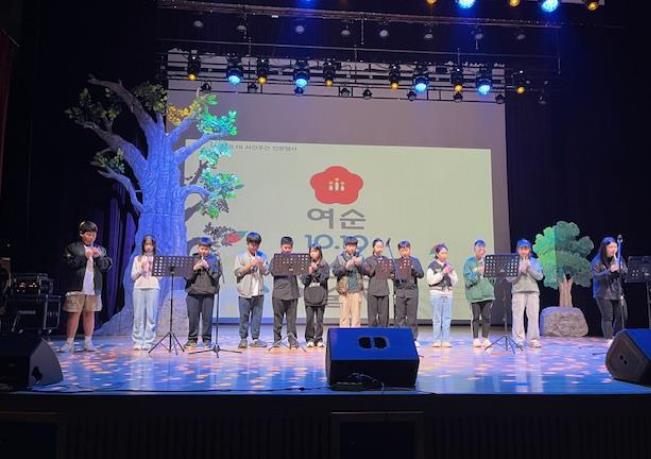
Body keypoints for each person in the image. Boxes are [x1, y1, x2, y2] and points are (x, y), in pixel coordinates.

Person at [60, 221, 113, 353]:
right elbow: (69, 264)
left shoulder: (100, 249)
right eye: (88, 234)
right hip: (76, 286)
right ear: (81, 234)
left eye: (93, 235)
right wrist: (84, 256)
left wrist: (98, 257)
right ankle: (69, 343)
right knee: (74, 314)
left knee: (90, 313)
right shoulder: (73, 248)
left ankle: (88, 342)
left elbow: (105, 267)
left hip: (93, 287)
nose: (91, 237)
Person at [184, 237, 222, 348]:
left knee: (207, 318)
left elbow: (217, 276)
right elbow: (186, 277)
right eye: (202, 249)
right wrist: (195, 268)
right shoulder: (192, 259)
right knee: (193, 318)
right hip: (193, 293)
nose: (203, 251)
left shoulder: (214, 259)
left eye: (206, 249)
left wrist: (208, 267)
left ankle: (207, 340)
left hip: (208, 293)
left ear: (209, 249)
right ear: (198, 248)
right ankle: (192, 339)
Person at [234, 232, 269, 349]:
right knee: (244, 316)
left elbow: (266, 272)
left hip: (258, 291)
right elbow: (237, 272)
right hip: (244, 292)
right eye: (252, 244)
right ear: (247, 244)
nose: (254, 247)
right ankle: (243, 339)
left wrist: (260, 265)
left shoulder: (262, 256)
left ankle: (255, 339)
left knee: (257, 316)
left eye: (256, 245)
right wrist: (249, 265)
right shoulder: (240, 257)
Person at [507, 239, 544, 348]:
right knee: (517, 317)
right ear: (517, 250)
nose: (523, 251)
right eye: (521, 249)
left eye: (526, 249)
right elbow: (509, 279)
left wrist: (529, 268)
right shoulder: (513, 262)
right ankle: (518, 339)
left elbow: (540, 276)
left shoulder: (535, 261)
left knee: (533, 317)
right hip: (518, 292)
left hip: (533, 292)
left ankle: (533, 339)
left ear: (529, 250)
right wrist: (519, 270)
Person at [592, 236, 628, 344]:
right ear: (604, 248)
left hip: (617, 291)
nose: (613, 250)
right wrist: (609, 270)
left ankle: (616, 338)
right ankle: (608, 340)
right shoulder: (597, 260)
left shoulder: (618, 259)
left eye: (615, 247)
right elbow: (596, 276)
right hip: (603, 292)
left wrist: (621, 269)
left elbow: (626, 272)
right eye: (611, 247)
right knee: (607, 317)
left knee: (623, 315)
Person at [463, 239, 495, 348]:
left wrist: (490, 273)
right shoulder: (469, 262)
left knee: (487, 317)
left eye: (483, 248)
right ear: (474, 249)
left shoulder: (488, 262)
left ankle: (485, 338)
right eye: (479, 248)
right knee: (475, 317)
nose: (481, 250)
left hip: (487, 295)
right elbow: (468, 281)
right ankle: (475, 338)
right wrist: (477, 272)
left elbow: (493, 280)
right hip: (475, 296)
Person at [130, 235, 160, 351]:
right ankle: (138, 340)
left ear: (153, 246)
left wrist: (152, 268)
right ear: (143, 245)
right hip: (139, 287)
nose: (148, 247)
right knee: (138, 316)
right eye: (146, 244)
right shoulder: (137, 258)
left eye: (150, 244)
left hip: (153, 287)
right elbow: (133, 277)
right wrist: (141, 269)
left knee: (151, 315)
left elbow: (160, 277)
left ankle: (148, 341)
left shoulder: (157, 259)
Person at [269, 236, 300, 348]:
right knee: (278, 319)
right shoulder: (275, 259)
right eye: (285, 247)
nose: (287, 250)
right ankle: (277, 340)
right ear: (281, 247)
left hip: (292, 293)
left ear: (292, 248)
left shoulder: (295, 260)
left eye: (289, 248)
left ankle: (292, 340)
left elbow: (301, 271)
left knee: (292, 320)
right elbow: (272, 271)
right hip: (279, 294)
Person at [393, 240, 425, 346]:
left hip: (412, 291)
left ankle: (413, 338)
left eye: (406, 250)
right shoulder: (396, 262)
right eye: (402, 250)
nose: (404, 252)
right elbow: (391, 274)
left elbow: (421, 274)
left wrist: (413, 269)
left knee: (412, 316)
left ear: (410, 250)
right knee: (400, 316)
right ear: (399, 251)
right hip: (400, 291)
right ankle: (400, 337)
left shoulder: (415, 261)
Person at [426, 243, 458, 348]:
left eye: (446, 253)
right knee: (437, 318)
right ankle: (436, 340)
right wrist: (442, 273)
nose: (445, 255)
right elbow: (430, 281)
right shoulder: (432, 266)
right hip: (436, 293)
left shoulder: (449, 266)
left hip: (448, 292)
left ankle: (446, 340)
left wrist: (450, 273)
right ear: (437, 254)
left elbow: (455, 281)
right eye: (442, 253)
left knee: (447, 317)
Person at [301, 244, 330, 348]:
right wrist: (309, 273)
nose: (313, 254)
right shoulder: (306, 265)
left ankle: (318, 338)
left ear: (320, 252)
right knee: (309, 319)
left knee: (319, 319)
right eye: (311, 251)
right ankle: (309, 338)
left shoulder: (324, 265)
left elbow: (324, 279)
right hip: (309, 296)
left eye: (315, 251)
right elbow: (304, 281)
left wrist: (316, 269)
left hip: (321, 295)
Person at [331, 236, 364, 328]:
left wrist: (360, 265)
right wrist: (345, 267)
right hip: (344, 291)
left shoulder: (359, 257)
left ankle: (355, 335)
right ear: (345, 246)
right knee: (344, 317)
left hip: (356, 290)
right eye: (349, 246)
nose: (351, 248)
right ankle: (344, 335)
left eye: (353, 246)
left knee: (356, 318)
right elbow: (335, 272)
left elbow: (365, 271)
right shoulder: (340, 258)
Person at [362, 238, 393, 328]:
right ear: (373, 248)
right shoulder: (368, 260)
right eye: (378, 246)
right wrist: (377, 265)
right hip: (373, 290)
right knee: (372, 316)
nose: (380, 248)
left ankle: (383, 333)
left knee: (384, 316)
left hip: (384, 290)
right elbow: (367, 272)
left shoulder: (386, 259)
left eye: (381, 247)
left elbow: (390, 272)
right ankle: (372, 334)